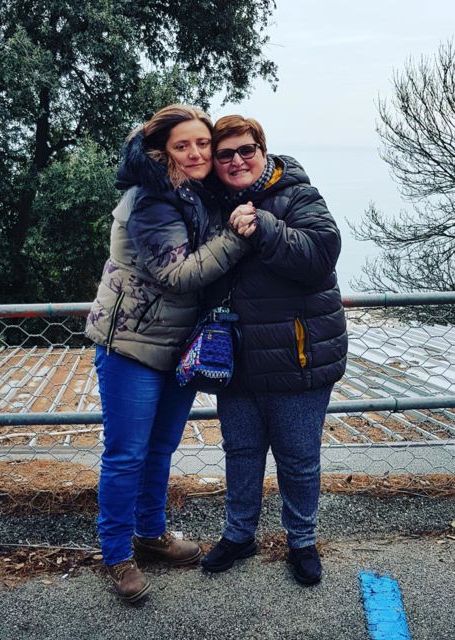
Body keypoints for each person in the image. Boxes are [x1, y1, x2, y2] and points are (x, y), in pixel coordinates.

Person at [85, 105, 255, 602]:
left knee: (160, 448)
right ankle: (117, 555)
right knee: (126, 454)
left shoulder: (195, 193)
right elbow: (176, 275)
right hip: (132, 344)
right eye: (183, 145)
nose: (197, 153)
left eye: (203, 143)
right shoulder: (151, 200)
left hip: (178, 344)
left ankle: (151, 534)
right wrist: (236, 238)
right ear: (162, 152)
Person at [200, 115, 348, 585]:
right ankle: (238, 534)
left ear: (263, 151)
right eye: (225, 154)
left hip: (296, 356)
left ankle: (302, 541)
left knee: (298, 459)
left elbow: (320, 255)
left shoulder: (297, 194)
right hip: (236, 359)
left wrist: (263, 226)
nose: (237, 160)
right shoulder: (209, 205)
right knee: (241, 453)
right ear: (215, 162)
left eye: (246, 150)